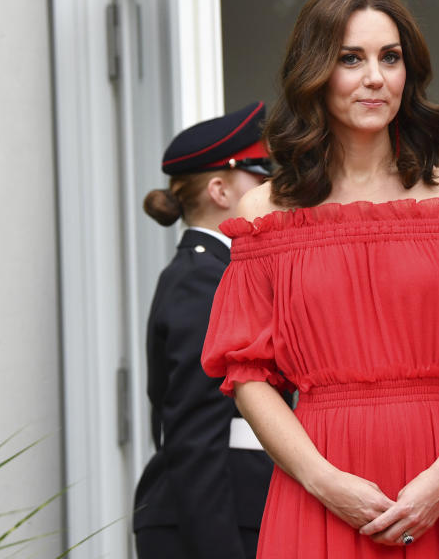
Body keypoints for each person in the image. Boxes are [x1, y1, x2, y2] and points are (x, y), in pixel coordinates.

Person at [201, 0, 439, 558]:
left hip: (438, 480)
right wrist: (322, 480)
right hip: (316, 480)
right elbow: (247, 375)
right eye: (351, 59)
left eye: (390, 58)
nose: (375, 78)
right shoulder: (265, 213)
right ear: (316, 72)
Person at [134, 102, 284, 559]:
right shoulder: (205, 278)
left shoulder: (218, 272)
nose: (272, 190)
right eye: (260, 178)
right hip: (214, 522)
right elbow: (197, 433)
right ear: (220, 191)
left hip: (230, 510)